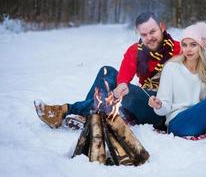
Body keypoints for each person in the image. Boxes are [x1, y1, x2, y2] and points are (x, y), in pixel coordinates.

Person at [35, 12, 181, 130]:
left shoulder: (179, 49)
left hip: (160, 107)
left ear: (161, 27)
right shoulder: (136, 50)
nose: (149, 38)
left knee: (128, 92)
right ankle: (90, 115)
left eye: (152, 31)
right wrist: (122, 83)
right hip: (143, 98)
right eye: (144, 35)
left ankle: (67, 110)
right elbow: (125, 72)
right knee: (107, 72)